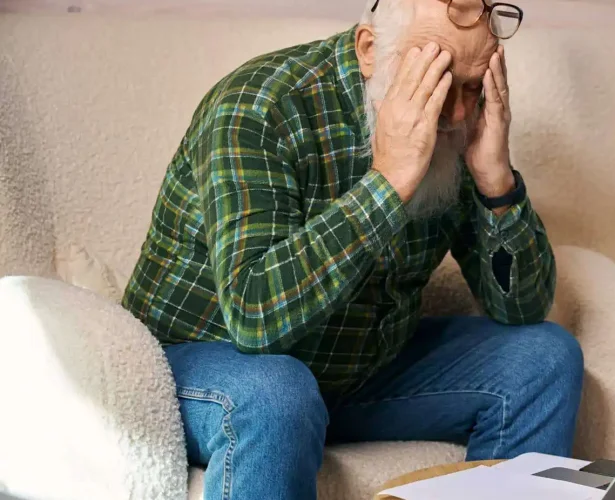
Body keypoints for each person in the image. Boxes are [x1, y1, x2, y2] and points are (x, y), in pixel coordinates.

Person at [121, 0, 584, 497]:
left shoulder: (464, 126)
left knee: (544, 357)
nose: (456, 113)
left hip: (354, 370)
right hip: (207, 360)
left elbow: (522, 310)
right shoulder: (262, 106)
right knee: (279, 394)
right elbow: (253, 318)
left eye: (472, 87)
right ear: (370, 50)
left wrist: (497, 183)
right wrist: (388, 183)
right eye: (437, 79)